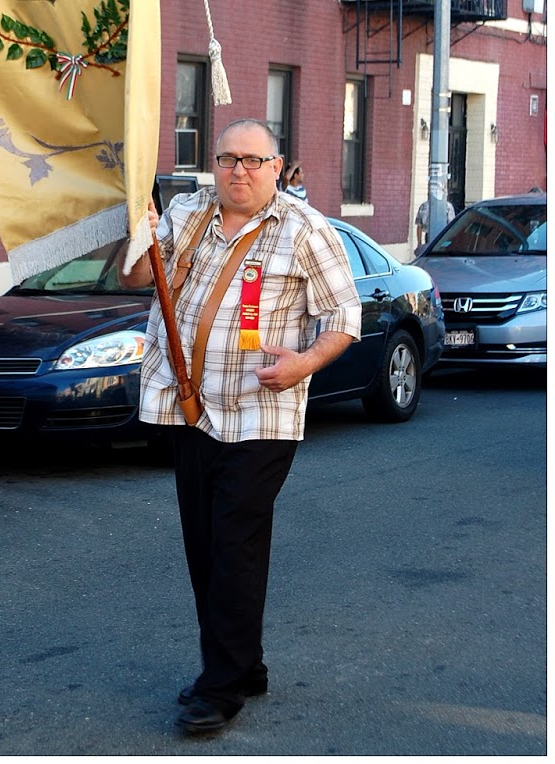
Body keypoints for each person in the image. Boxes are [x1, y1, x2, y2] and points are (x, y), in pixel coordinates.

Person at [122, 119, 360, 736]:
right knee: (205, 543)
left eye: (254, 161)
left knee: (233, 541)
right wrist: (136, 239)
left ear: (276, 167)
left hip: (263, 413)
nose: (239, 171)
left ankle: (220, 688)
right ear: (214, 163)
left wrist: (305, 363)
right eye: (228, 158)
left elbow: (345, 314)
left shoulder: (304, 229)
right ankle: (243, 663)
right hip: (189, 407)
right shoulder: (188, 213)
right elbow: (136, 281)